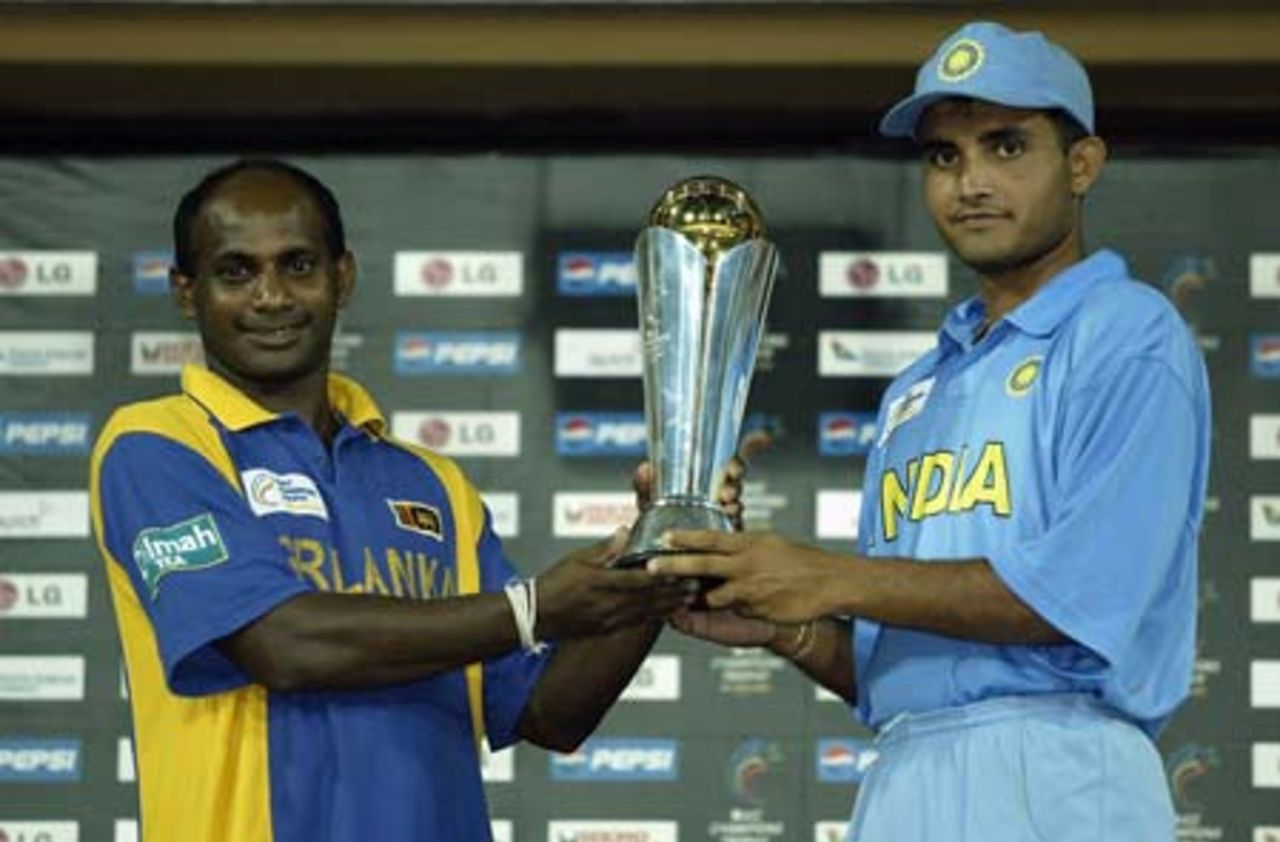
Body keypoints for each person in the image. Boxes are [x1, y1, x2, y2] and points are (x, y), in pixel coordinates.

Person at [651, 20, 1210, 841]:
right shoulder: (920, 385)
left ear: (1082, 164)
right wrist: (782, 623)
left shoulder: (1126, 332)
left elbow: (1079, 596)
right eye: (945, 156)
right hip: (905, 765)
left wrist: (824, 577)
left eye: (1007, 146)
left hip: (1061, 768)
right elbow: (891, 669)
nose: (971, 182)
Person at [89, 159, 741, 842]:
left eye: (299, 265)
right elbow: (282, 645)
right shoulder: (159, 444)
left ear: (343, 277)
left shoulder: (434, 486)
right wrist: (531, 610)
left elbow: (548, 712)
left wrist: (663, 558)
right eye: (236, 272)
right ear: (185, 293)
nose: (271, 296)